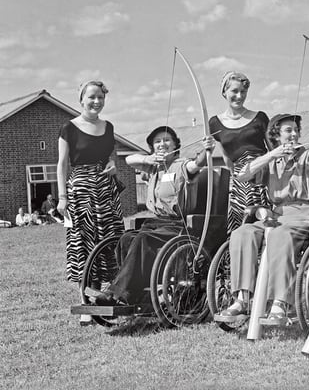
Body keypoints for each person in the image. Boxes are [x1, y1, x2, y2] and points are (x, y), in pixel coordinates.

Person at [218, 114, 309, 322]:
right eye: (288, 131)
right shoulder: (271, 160)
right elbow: (242, 175)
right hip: (275, 214)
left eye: (296, 130)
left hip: (304, 214)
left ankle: (280, 302)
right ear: (276, 135)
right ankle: (242, 298)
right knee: (242, 232)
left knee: (279, 234)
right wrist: (271, 155)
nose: (293, 134)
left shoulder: (306, 155)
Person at [94, 126, 213, 306]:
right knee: (126, 238)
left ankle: (117, 292)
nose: (162, 144)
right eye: (157, 141)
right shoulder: (151, 169)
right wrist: (148, 158)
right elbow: (128, 160)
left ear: (176, 145)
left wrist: (207, 148)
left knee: (142, 238)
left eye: (166, 140)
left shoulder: (181, 165)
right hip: (154, 223)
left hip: (176, 225)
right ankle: (134, 293)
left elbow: (198, 163)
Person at [57, 80, 124, 325]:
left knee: (110, 243)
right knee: (82, 245)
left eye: (101, 98)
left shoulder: (108, 127)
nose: (97, 102)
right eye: (92, 97)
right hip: (80, 192)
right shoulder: (69, 128)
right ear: (81, 99)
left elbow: (111, 157)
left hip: (106, 191)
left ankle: (109, 296)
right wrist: (62, 197)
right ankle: (85, 304)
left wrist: (113, 165)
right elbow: (62, 165)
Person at [209, 72, 271, 233]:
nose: (239, 96)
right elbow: (227, 159)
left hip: (262, 176)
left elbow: (273, 150)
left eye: (243, 92)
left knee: (263, 223)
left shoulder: (260, 118)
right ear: (224, 92)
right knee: (239, 227)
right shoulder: (215, 123)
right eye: (234, 91)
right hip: (238, 182)